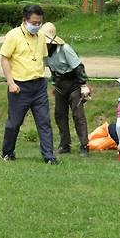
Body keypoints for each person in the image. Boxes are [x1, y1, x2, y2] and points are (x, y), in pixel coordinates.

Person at [0, 5, 58, 164]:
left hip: (39, 85)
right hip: (19, 86)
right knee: (14, 123)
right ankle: (7, 152)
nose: (37, 25)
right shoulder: (13, 35)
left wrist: (52, 81)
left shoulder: (41, 37)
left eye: (40, 22)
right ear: (25, 20)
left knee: (44, 122)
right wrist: (10, 82)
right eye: (34, 22)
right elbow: (4, 58)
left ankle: (49, 156)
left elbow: (44, 60)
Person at [40, 22, 91, 156]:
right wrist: (54, 84)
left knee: (78, 115)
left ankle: (84, 145)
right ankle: (65, 144)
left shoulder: (65, 49)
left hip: (73, 84)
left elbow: (78, 67)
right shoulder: (44, 52)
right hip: (59, 85)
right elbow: (52, 69)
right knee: (59, 115)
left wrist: (84, 85)